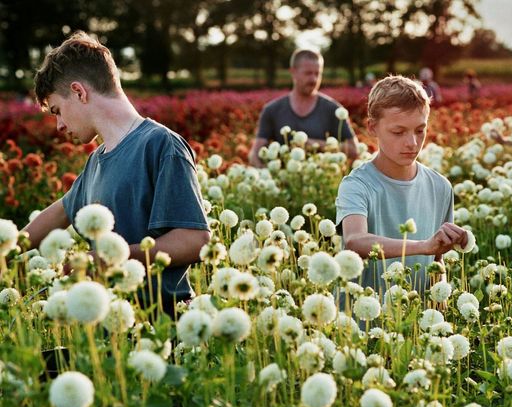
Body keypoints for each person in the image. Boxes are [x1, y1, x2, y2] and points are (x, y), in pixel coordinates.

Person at [23, 31, 210, 314]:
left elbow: (194, 240)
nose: (59, 125)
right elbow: (60, 212)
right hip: (112, 327)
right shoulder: (96, 161)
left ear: (78, 91)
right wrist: (5, 248)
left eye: (57, 110)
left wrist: (110, 258)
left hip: (164, 325)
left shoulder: (160, 144)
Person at [336, 76, 468, 294]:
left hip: (417, 321)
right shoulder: (357, 185)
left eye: (419, 130)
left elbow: (437, 259)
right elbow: (355, 240)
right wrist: (423, 246)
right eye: (398, 132)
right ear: (372, 127)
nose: (412, 143)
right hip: (363, 321)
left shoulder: (440, 187)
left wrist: (439, 297)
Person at [249, 49, 359, 167]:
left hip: (322, 181)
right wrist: (268, 175)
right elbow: (255, 154)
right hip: (284, 181)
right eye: (308, 73)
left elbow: (353, 149)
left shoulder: (334, 110)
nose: (314, 79)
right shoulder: (272, 110)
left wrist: (315, 144)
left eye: (317, 73)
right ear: (293, 72)